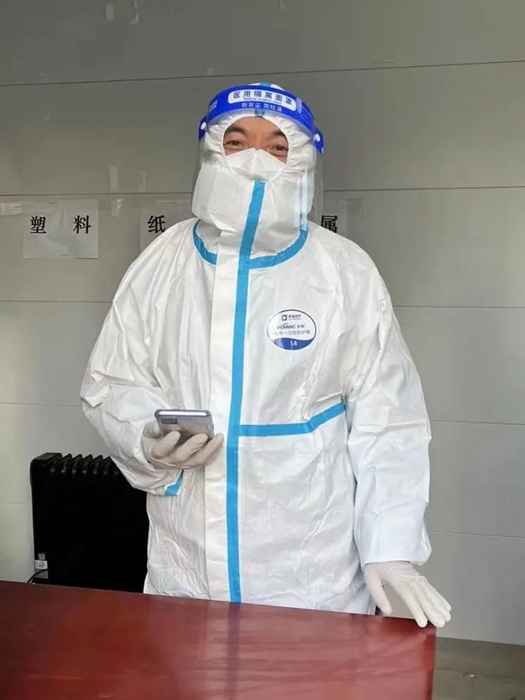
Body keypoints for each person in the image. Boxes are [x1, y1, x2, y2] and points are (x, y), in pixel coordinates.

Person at [81, 83, 451, 628]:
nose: (255, 160)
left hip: (312, 575)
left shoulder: (344, 271)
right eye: (236, 143)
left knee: (306, 671)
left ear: (304, 162)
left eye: (278, 147)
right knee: (190, 668)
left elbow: (388, 421)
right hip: (187, 568)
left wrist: (390, 548)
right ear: (210, 152)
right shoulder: (163, 263)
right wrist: (145, 438)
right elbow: (112, 381)